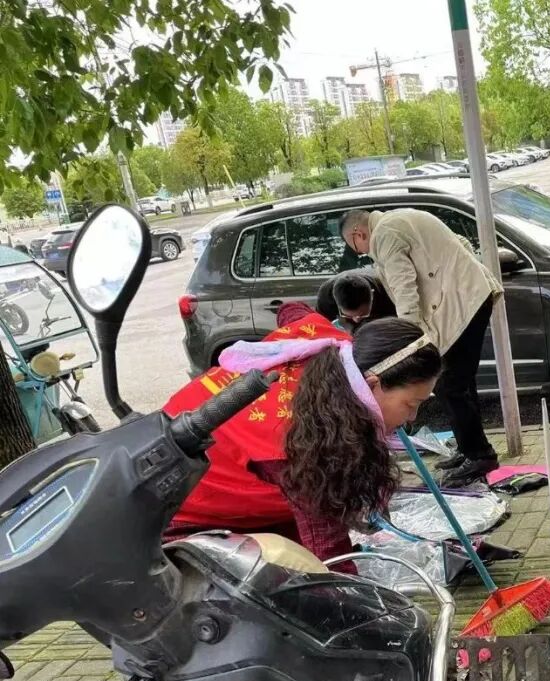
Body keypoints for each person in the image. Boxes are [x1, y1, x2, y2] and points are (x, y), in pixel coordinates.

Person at [162, 313, 442, 566]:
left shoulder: (337, 346)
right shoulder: (305, 442)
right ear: (371, 385)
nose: (412, 418)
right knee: (296, 576)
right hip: (182, 518)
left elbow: (292, 311)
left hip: (193, 455)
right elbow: (330, 553)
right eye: (411, 404)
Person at [341, 207, 502, 487]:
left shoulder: (385, 234)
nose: (361, 252)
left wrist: (409, 338)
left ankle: (479, 455)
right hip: (466, 297)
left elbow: (405, 287)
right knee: (458, 383)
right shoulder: (398, 219)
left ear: (358, 233)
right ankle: (470, 449)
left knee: (450, 385)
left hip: (463, 302)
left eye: (355, 247)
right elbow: (460, 244)